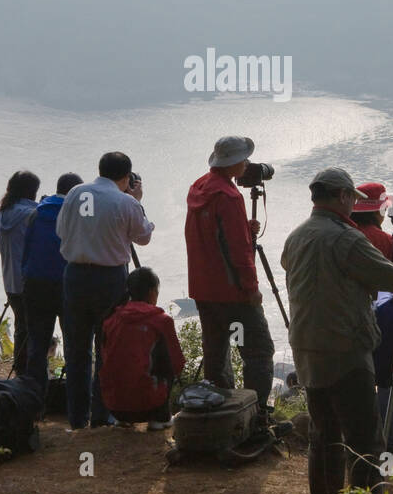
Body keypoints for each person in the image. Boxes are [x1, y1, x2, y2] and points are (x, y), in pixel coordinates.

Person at [281, 167, 393, 494]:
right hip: (344, 350)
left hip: (306, 348)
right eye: (352, 199)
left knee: (324, 436)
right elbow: (390, 277)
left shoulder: (297, 235)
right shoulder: (346, 239)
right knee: (365, 443)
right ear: (343, 196)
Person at [55, 151, 154, 429]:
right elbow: (143, 237)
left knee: (76, 349)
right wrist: (137, 203)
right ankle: (101, 415)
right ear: (127, 177)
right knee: (107, 348)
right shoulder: (125, 202)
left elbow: (61, 231)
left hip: (73, 275)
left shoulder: (75, 192)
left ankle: (76, 417)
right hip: (110, 278)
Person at [184, 135, 275, 418]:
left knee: (216, 354)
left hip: (203, 288)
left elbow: (213, 236)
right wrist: (251, 288)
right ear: (234, 163)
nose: (247, 164)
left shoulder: (199, 187)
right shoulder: (229, 196)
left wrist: (243, 227)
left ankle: (219, 413)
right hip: (232, 292)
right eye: (244, 159)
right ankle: (256, 414)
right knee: (259, 352)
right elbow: (238, 252)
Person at [349, 182, 393, 456]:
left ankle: (356, 442)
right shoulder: (383, 240)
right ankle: (388, 446)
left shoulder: (346, 233)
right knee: (388, 381)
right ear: (377, 210)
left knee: (356, 378)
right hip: (384, 316)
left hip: (349, 317)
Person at [100, 267, 185, 429]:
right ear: (153, 292)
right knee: (167, 360)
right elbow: (177, 364)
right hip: (148, 405)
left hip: (114, 406)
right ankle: (160, 418)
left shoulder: (110, 319)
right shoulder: (161, 320)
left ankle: (123, 419)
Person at [20, 172, 82, 391]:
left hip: (36, 283)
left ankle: (36, 400)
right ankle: (74, 399)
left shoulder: (37, 212)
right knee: (75, 344)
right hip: (68, 284)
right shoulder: (76, 214)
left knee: (37, 345)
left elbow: (26, 250)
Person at [0, 170, 41, 372]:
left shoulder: (2, 214)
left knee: (21, 326)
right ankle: (31, 371)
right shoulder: (31, 214)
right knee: (34, 329)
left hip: (10, 281)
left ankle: (21, 369)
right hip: (30, 281)